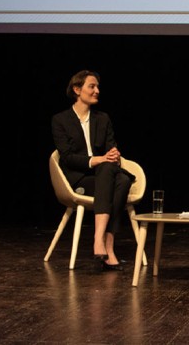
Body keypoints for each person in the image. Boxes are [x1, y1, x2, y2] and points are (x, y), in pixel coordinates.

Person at [51, 70, 135, 272]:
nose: (97, 91)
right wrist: (97, 160)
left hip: (105, 175)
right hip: (80, 179)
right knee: (120, 180)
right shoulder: (60, 120)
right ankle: (106, 245)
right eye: (92, 86)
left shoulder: (102, 118)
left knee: (117, 177)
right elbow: (67, 157)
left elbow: (110, 147)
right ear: (77, 90)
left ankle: (102, 242)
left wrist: (113, 154)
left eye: (98, 87)